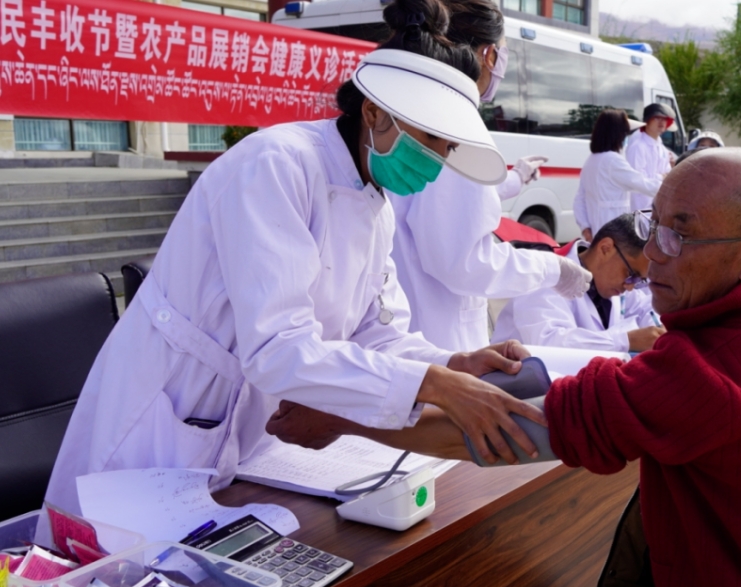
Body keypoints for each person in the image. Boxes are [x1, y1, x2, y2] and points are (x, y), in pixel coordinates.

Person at [267, 148, 741, 587]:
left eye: (679, 236)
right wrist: (451, 367)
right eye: (653, 225)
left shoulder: (716, 369)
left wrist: (345, 419)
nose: (653, 256)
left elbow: (503, 431)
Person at [43, 0, 549, 516]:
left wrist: (451, 363)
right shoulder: (277, 165)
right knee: (113, 548)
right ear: (373, 113)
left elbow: (374, 333)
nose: (437, 161)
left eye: (448, 148)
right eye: (431, 139)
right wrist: (434, 385)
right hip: (165, 414)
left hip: (247, 430)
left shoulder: (374, 204)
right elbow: (278, 347)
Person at [388, 0, 590, 353]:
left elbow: (448, 203)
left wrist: (516, 178)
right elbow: (465, 262)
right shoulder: (455, 126)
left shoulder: (412, 111)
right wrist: (551, 268)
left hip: (405, 323)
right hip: (433, 336)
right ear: (490, 55)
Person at [491, 214, 663, 353]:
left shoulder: (614, 280)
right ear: (605, 248)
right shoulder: (547, 276)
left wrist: (658, 330)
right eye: (631, 275)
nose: (630, 287)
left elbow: (644, 307)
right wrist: (626, 341)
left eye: (639, 280)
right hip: (519, 380)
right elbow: (550, 343)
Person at [574, 109, 661, 241]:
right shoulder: (613, 161)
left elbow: (579, 199)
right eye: (625, 133)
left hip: (598, 233)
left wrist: (585, 227)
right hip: (614, 233)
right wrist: (669, 183)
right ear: (618, 134)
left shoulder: (591, 160)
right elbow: (643, 185)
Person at [625, 103, 677, 212]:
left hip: (658, 207)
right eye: (657, 118)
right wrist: (661, 177)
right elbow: (636, 180)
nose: (662, 122)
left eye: (664, 119)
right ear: (647, 121)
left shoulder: (662, 148)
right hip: (640, 208)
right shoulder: (638, 146)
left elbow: (668, 174)